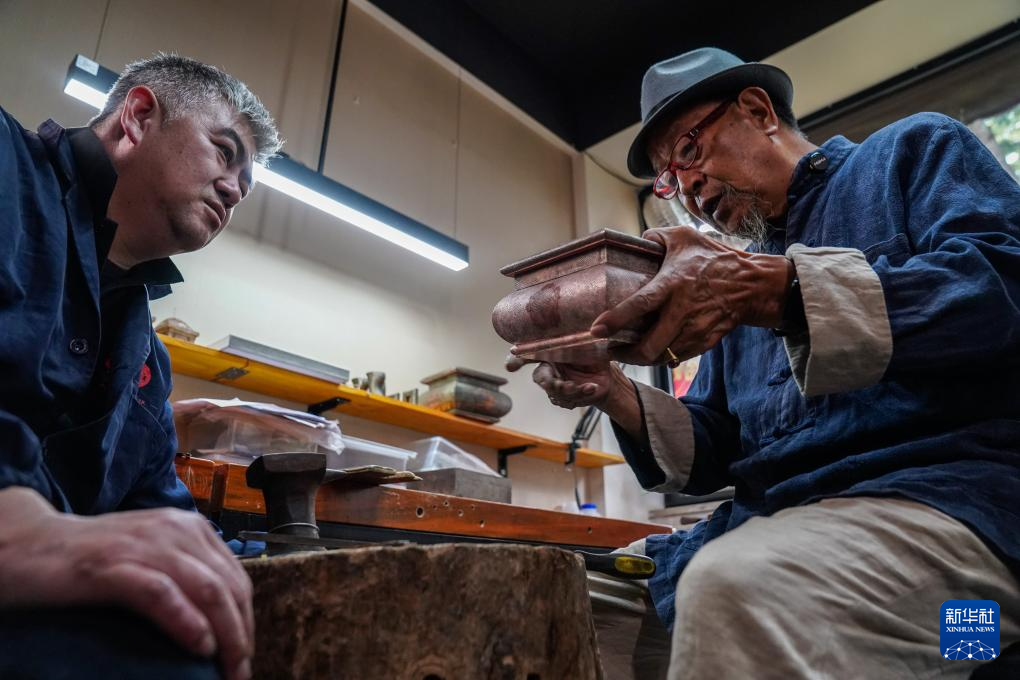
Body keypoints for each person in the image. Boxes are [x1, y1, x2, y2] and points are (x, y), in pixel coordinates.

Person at [514, 47, 1020, 678]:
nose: (687, 189)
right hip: (774, 523)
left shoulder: (914, 151)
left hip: (961, 525)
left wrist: (780, 292)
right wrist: (609, 389)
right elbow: (717, 448)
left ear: (758, 111)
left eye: (689, 152)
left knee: (739, 589)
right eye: (669, 180)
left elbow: (1001, 289)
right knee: (558, 600)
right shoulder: (734, 280)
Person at [0, 53, 281, 680]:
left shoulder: (147, 368)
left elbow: (158, 512)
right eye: (224, 152)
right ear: (139, 116)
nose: (235, 190)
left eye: (246, 185)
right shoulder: (5, 166)